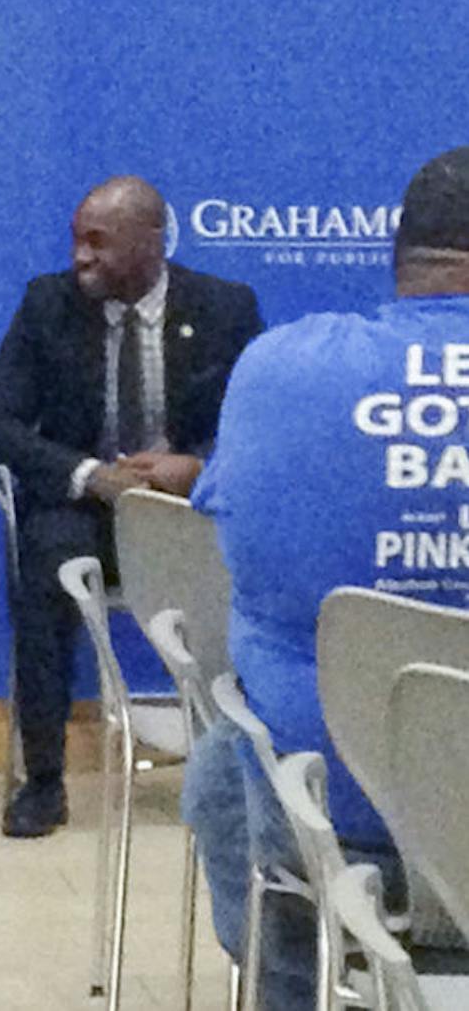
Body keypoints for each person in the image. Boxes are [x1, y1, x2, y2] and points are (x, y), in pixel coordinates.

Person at [184, 145, 469, 1009]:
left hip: (332, 832)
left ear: (400, 256)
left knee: (225, 765)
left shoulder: (280, 370)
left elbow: (225, 539)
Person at [0, 175, 263, 837]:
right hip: (85, 509)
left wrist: (196, 468)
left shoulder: (225, 308)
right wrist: (91, 475)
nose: (81, 257)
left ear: (151, 243)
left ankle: (236, 768)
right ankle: (44, 781)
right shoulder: (48, 304)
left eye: (98, 243)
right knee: (46, 565)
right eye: (77, 240)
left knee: (248, 565)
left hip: (187, 511)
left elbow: (258, 427)